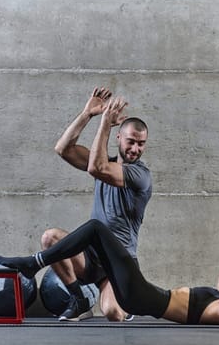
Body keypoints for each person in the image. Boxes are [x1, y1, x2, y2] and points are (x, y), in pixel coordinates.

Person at [0, 200, 219, 327]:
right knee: (95, 236)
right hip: (141, 293)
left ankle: (34, 264)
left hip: (141, 295)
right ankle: (40, 264)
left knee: (97, 228)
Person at [42, 87, 152, 322]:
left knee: (113, 313)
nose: (135, 149)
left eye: (141, 144)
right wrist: (87, 114)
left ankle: (126, 298)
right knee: (50, 238)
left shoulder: (140, 175)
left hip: (119, 259)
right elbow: (63, 149)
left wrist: (104, 122)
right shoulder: (106, 161)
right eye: (131, 141)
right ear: (119, 137)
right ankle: (79, 301)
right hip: (90, 256)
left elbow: (96, 168)